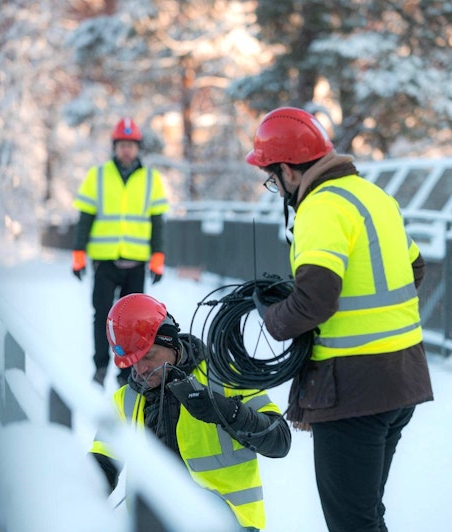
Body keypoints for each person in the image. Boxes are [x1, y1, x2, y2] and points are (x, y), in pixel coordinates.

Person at [245, 107, 434, 532]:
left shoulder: (320, 208)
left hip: (353, 392)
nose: (276, 188)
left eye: (273, 180)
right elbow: (415, 269)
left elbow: (314, 302)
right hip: (402, 378)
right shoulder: (372, 196)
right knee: (366, 516)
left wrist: (272, 318)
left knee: (351, 523)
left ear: (290, 171)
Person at [89, 293, 291, 531]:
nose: (141, 369)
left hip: (228, 522)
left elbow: (279, 440)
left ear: (170, 341)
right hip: (153, 522)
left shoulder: (224, 377)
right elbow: (99, 467)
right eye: (132, 362)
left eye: (149, 356)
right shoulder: (125, 400)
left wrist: (224, 411)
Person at [71, 117, 169, 386]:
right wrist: (78, 253)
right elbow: (85, 217)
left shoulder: (151, 179)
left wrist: (158, 257)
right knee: (102, 314)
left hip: (136, 262)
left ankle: (128, 372)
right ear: (115, 146)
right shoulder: (98, 175)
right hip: (105, 260)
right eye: (122, 144)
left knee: (136, 322)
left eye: (131, 145)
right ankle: (101, 366)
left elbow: (157, 221)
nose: (126, 149)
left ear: (138, 148)